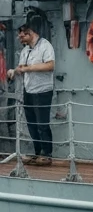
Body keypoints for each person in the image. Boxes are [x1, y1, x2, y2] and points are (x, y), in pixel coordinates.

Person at [7, 22, 55, 165]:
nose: (19, 39)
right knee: (32, 124)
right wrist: (14, 71)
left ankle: (47, 154)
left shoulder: (45, 46)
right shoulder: (26, 50)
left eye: (22, 36)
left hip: (42, 91)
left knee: (42, 124)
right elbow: (22, 67)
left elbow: (50, 65)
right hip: (28, 91)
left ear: (30, 33)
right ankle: (37, 152)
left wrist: (28, 68)